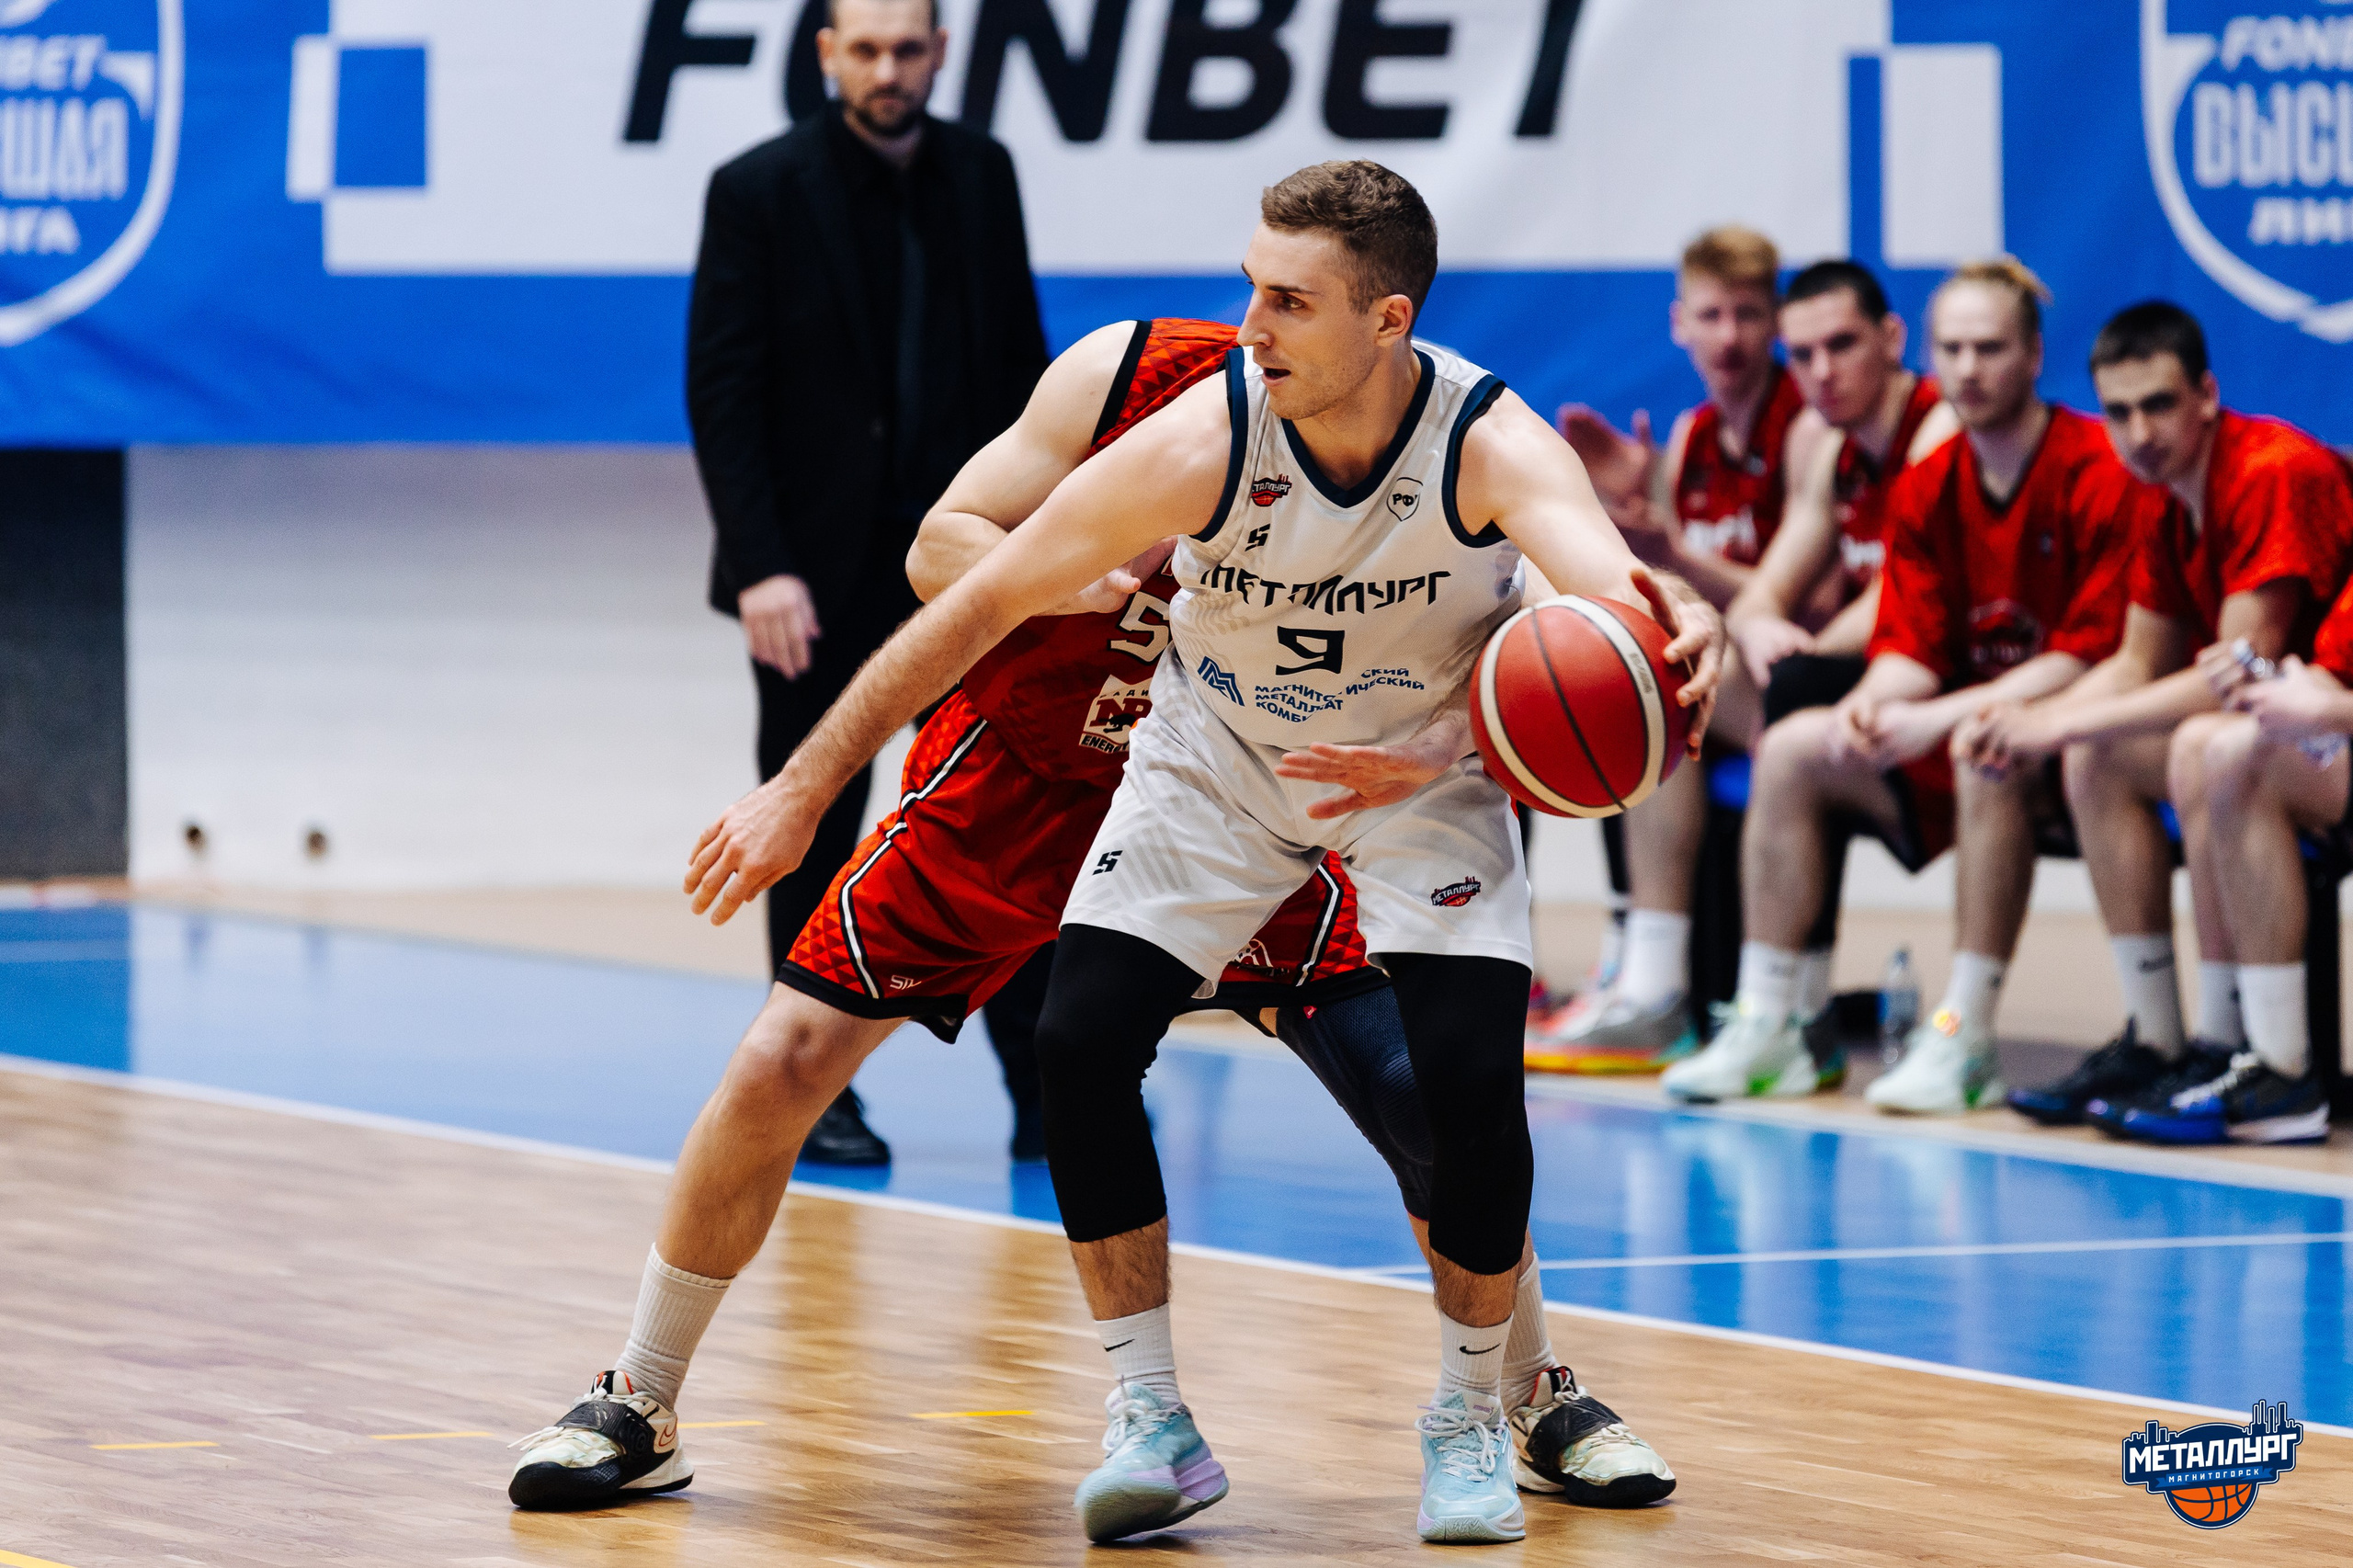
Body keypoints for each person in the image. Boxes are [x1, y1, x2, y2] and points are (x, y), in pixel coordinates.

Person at [675, 162, 1722, 1544]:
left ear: (1388, 319)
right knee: (1023, 1045)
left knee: (1455, 1091)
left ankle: (1493, 1404)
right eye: (1248, 289)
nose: (1253, 323)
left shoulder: (1487, 436)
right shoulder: (1180, 416)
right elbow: (964, 580)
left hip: (1387, 781)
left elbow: (1606, 597)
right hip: (1167, 771)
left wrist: (1676, 617)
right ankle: (1132, 1415)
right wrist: (805, 787)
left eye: (1287, 299)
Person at [1663, 258, 2158, 1115]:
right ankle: (1773, 1020)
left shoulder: (2094, 467)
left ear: (2035, 354)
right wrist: (1875, 699)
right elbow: (1914, 641)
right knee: (1791, 747)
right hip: (1949, 721)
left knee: (1982, 751)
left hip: (2066, 730)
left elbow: (2090, 652)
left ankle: (1962, 1035)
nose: (1969, 368)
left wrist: (1931, 716)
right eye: (1955, 348)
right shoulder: (1929, 484)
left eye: (1991, 348)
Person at [686, 0, 1048, 1163]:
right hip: (814, 574)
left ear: (939, 53)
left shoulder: (983, 174)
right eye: (867, 49)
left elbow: (1027, 377)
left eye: (908, 49)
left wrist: (1043, 542)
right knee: (814, 816)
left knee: (1014, 807)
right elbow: (722, 396)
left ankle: (1045, 1086)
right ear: (825, 52)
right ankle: (819, 1085)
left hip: (965, 557)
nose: (889, 69)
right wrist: (760, 568)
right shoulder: (756, 190)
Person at [1550, 258, 1957, 1062]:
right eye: (1805, 356)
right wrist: (1738, 608)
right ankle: (1650, 978)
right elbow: (1772, 592)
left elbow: (1903, 591)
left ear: (1893, 339)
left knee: (1699, 687)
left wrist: (1786, 636)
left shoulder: (1930, 430)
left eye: (1840, 346)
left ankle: (1720, 997)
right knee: (1646, 677)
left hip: (1941, 683)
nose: (1821, 371)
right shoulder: (1827, 438)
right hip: (1849, 680)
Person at [1972, 303, 2353, 1140]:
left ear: (2207, 395)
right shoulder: (2162, 493)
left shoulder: (2273, 470)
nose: (2139, 432)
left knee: (2216, 751)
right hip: (2305, 725)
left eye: (2159, 406)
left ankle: (2283, 1072)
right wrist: (2042, 719)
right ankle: (2172, 1041)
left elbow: (2235, 679)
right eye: (2118, 412)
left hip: (2320, 728)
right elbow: (2141, 663)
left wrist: (2058, 725)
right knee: (2099, 759)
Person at [1544, 228, 1802, 1051]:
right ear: (1678, 325)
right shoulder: (1688, 440)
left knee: (1651, 671)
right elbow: (1664, 571)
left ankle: (1652, 983)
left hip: (1801, 683)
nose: (1730, 336)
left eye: (1749, 315)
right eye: (1713, 315)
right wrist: (1627, 510)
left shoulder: (1806, 431)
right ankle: (1636, 965)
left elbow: (1797, 599)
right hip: (1734, 690)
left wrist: (1671, 554)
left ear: (1776, 324)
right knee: (1616, 675)